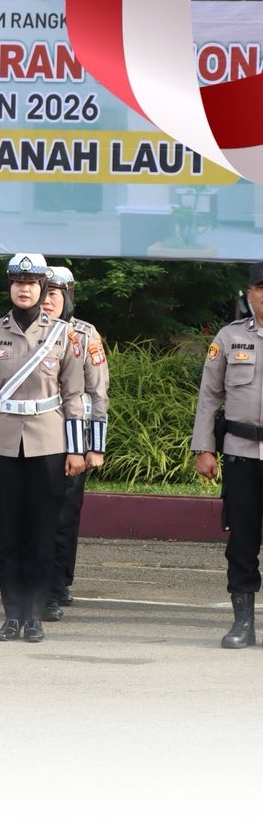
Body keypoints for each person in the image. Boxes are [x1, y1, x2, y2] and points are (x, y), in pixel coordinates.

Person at [0, 253, 85, 643]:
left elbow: (74, 395)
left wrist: (76, 448)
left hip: (49, 444)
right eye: (18, 282)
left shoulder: (61, 334)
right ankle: (11, 614)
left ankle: (34, 615)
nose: (24, 288)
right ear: (11, 287)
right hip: (2, 445)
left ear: (42, 289)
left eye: (32, 283)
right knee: (8, 534)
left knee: (42, 532)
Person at [192, 260, 263, 648]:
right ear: (250, 293)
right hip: (240, 454)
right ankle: (243, 623)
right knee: (242, 540)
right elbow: (209, 396)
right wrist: (204, 447)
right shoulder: (229, 336)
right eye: (261, 287)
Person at [41, 266, 108, 620]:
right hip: (33, 439)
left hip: (74, 438)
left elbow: (98, 393)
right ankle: (38, 584)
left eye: (56, 293)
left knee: (65, 515)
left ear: (68, 296)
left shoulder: (84, 334)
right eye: (44, 291)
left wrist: (95, 447)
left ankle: (57, 584)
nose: (48, 299)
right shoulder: (23, 331)